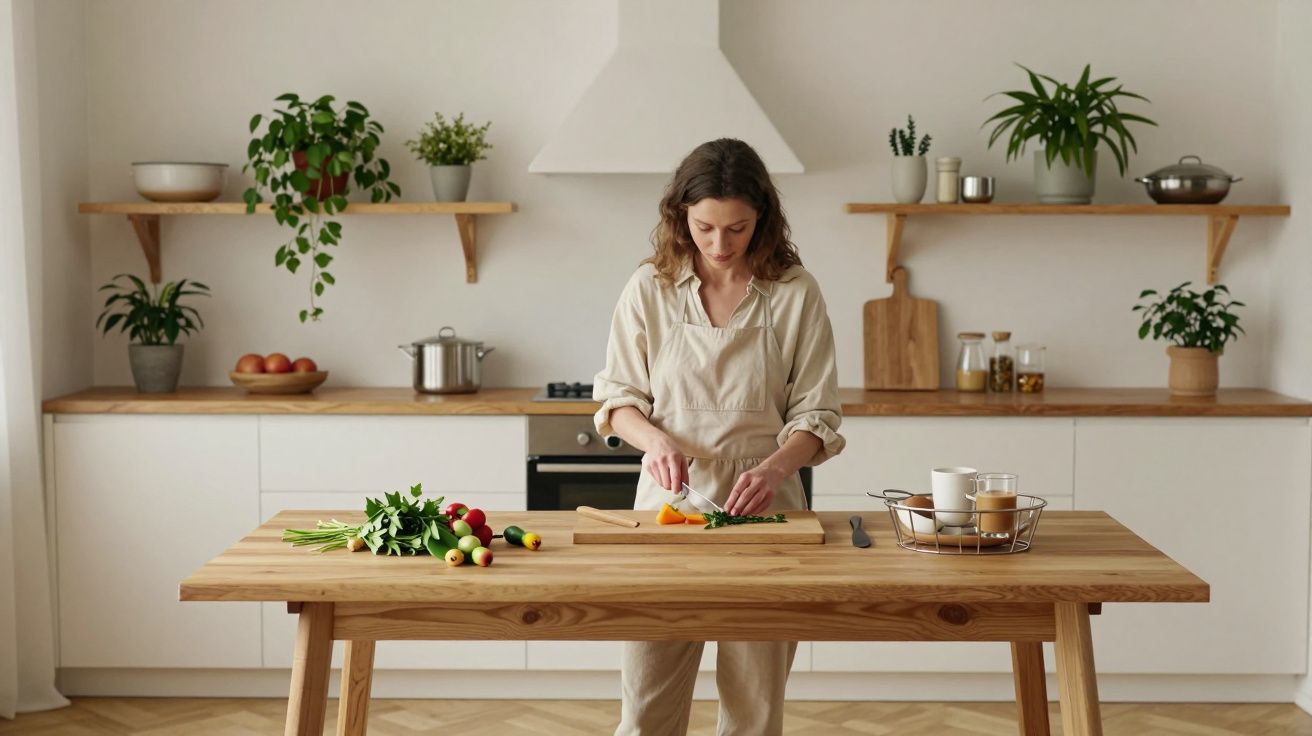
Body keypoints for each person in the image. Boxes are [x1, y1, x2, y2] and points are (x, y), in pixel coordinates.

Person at [593, 138, 845, 736]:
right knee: (647, 707)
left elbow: (817, 415)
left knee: (755, 712)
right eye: (704, 227)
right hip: (667, 509)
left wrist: (777, 469)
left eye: (737, 229)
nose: (720, 245)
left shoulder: (795, 292)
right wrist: (655, 442)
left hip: (768, 512)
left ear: (763, 220)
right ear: (680, 215)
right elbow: (618, 399)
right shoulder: (648, 288)